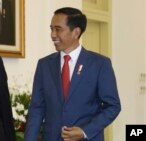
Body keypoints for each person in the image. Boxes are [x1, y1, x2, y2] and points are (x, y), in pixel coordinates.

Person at [24, 7, 121, 141]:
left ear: (76, 32)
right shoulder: (44, 65)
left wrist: (84, 131)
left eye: (58, 29)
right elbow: (36, 108)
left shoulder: (100, 64)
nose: (53, 34)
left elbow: (113, 106)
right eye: (51, 29)